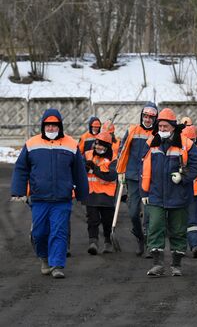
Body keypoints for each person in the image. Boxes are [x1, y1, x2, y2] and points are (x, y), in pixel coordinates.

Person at [11, 109, 88, 279]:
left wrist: (82, 193)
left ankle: (57, 265)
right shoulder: (32, 144)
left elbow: (79, 171)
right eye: (48, 125)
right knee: (39, 232)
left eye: (54, 125)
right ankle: (44, 258)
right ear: (43, 125)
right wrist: (19, 190)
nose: (51, 128)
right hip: (39, 199)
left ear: (60, 126)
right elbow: (21, 168)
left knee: (59, 231)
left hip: (62, 199)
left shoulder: (71, 144)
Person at [140, 108, 197, 276]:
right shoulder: (151, 143)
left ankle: (176, 265)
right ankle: (157, 264)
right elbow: (145, 169)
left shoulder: (186, 144)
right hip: (156, 195)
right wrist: (144, 192)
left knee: (178, 230)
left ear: (173, 127)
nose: (162, 129)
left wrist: (183, 176)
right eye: (160, 126)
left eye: (165, 126)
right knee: (155, 228)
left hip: (179, 196)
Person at [117, 102, 158, 256]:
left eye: (151, 117)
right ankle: (139, 237)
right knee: (133, 213)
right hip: (133, 177)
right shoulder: (132, 130)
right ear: (142, 116)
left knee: (148, 213)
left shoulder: (158, 133)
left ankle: (148, 243)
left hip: (151, 179)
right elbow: (122, 150)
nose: (147, 120)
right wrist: (120, 171)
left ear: (155, 118)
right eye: (145, 116)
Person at [83, 132, 118, 255]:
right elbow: (78, 169)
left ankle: (108, 242)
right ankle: (93, 242)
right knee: (92, 220)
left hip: (107, 195)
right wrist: (84, 168)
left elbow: (111, 176)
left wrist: (94, 169)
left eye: (102, 145)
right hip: (91, 193)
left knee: (107, 221)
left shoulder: (113, 158)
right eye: (97, 144)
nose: (98, 147)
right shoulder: (87, 155)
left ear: (107, 147)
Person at [182, 125, 197, 258]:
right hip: (180, 190)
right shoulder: (178, 150)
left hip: (193, 191)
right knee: (179, 220)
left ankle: (195, 245)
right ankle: (181, 247)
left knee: (192, 221)